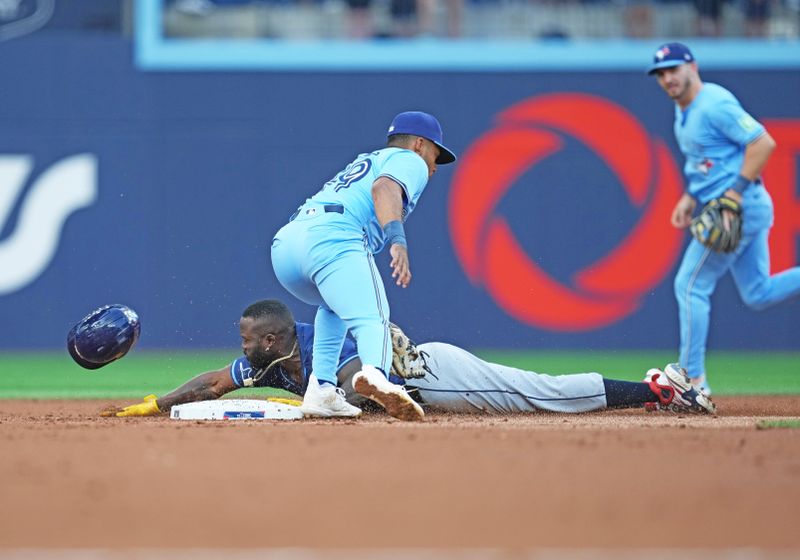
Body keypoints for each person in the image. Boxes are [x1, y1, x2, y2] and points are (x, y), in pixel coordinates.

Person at [100, 299, 715, 418]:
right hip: (422, 394)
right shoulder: (267, 361)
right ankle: (655, 390)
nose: (239, 350)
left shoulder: (320, 343)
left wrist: (324, 405)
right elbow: (214, 382)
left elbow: (355, 384)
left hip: (435, 373)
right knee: (541, 395)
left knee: (541, 393)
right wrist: (159, 402)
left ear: (273, 338)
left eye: (245, 340)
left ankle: (655, 389)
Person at [270, 111, 456, 422]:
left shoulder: (370, 158)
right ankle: (375, 374)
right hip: (332, 239)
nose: (435, 167)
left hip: (287, 245)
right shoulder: (409, 160)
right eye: (436, 155)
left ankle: (322, 389)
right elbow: (384, 189)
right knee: (374, 316)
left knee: (334, 307)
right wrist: (397, 239)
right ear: (420, 145)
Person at [647, 42, 800, 393]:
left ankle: (692, 380)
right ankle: (694, 378)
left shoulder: (714, 103)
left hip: (738, 207)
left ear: (692, 67)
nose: (668, 78)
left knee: (689, 285)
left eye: (673, 69)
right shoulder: (683, 109)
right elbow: (707, 162)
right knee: (758, 292)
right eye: (661, 73)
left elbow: (763, 143)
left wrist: (732, 194)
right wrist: (690, 195)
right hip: (742, 205)